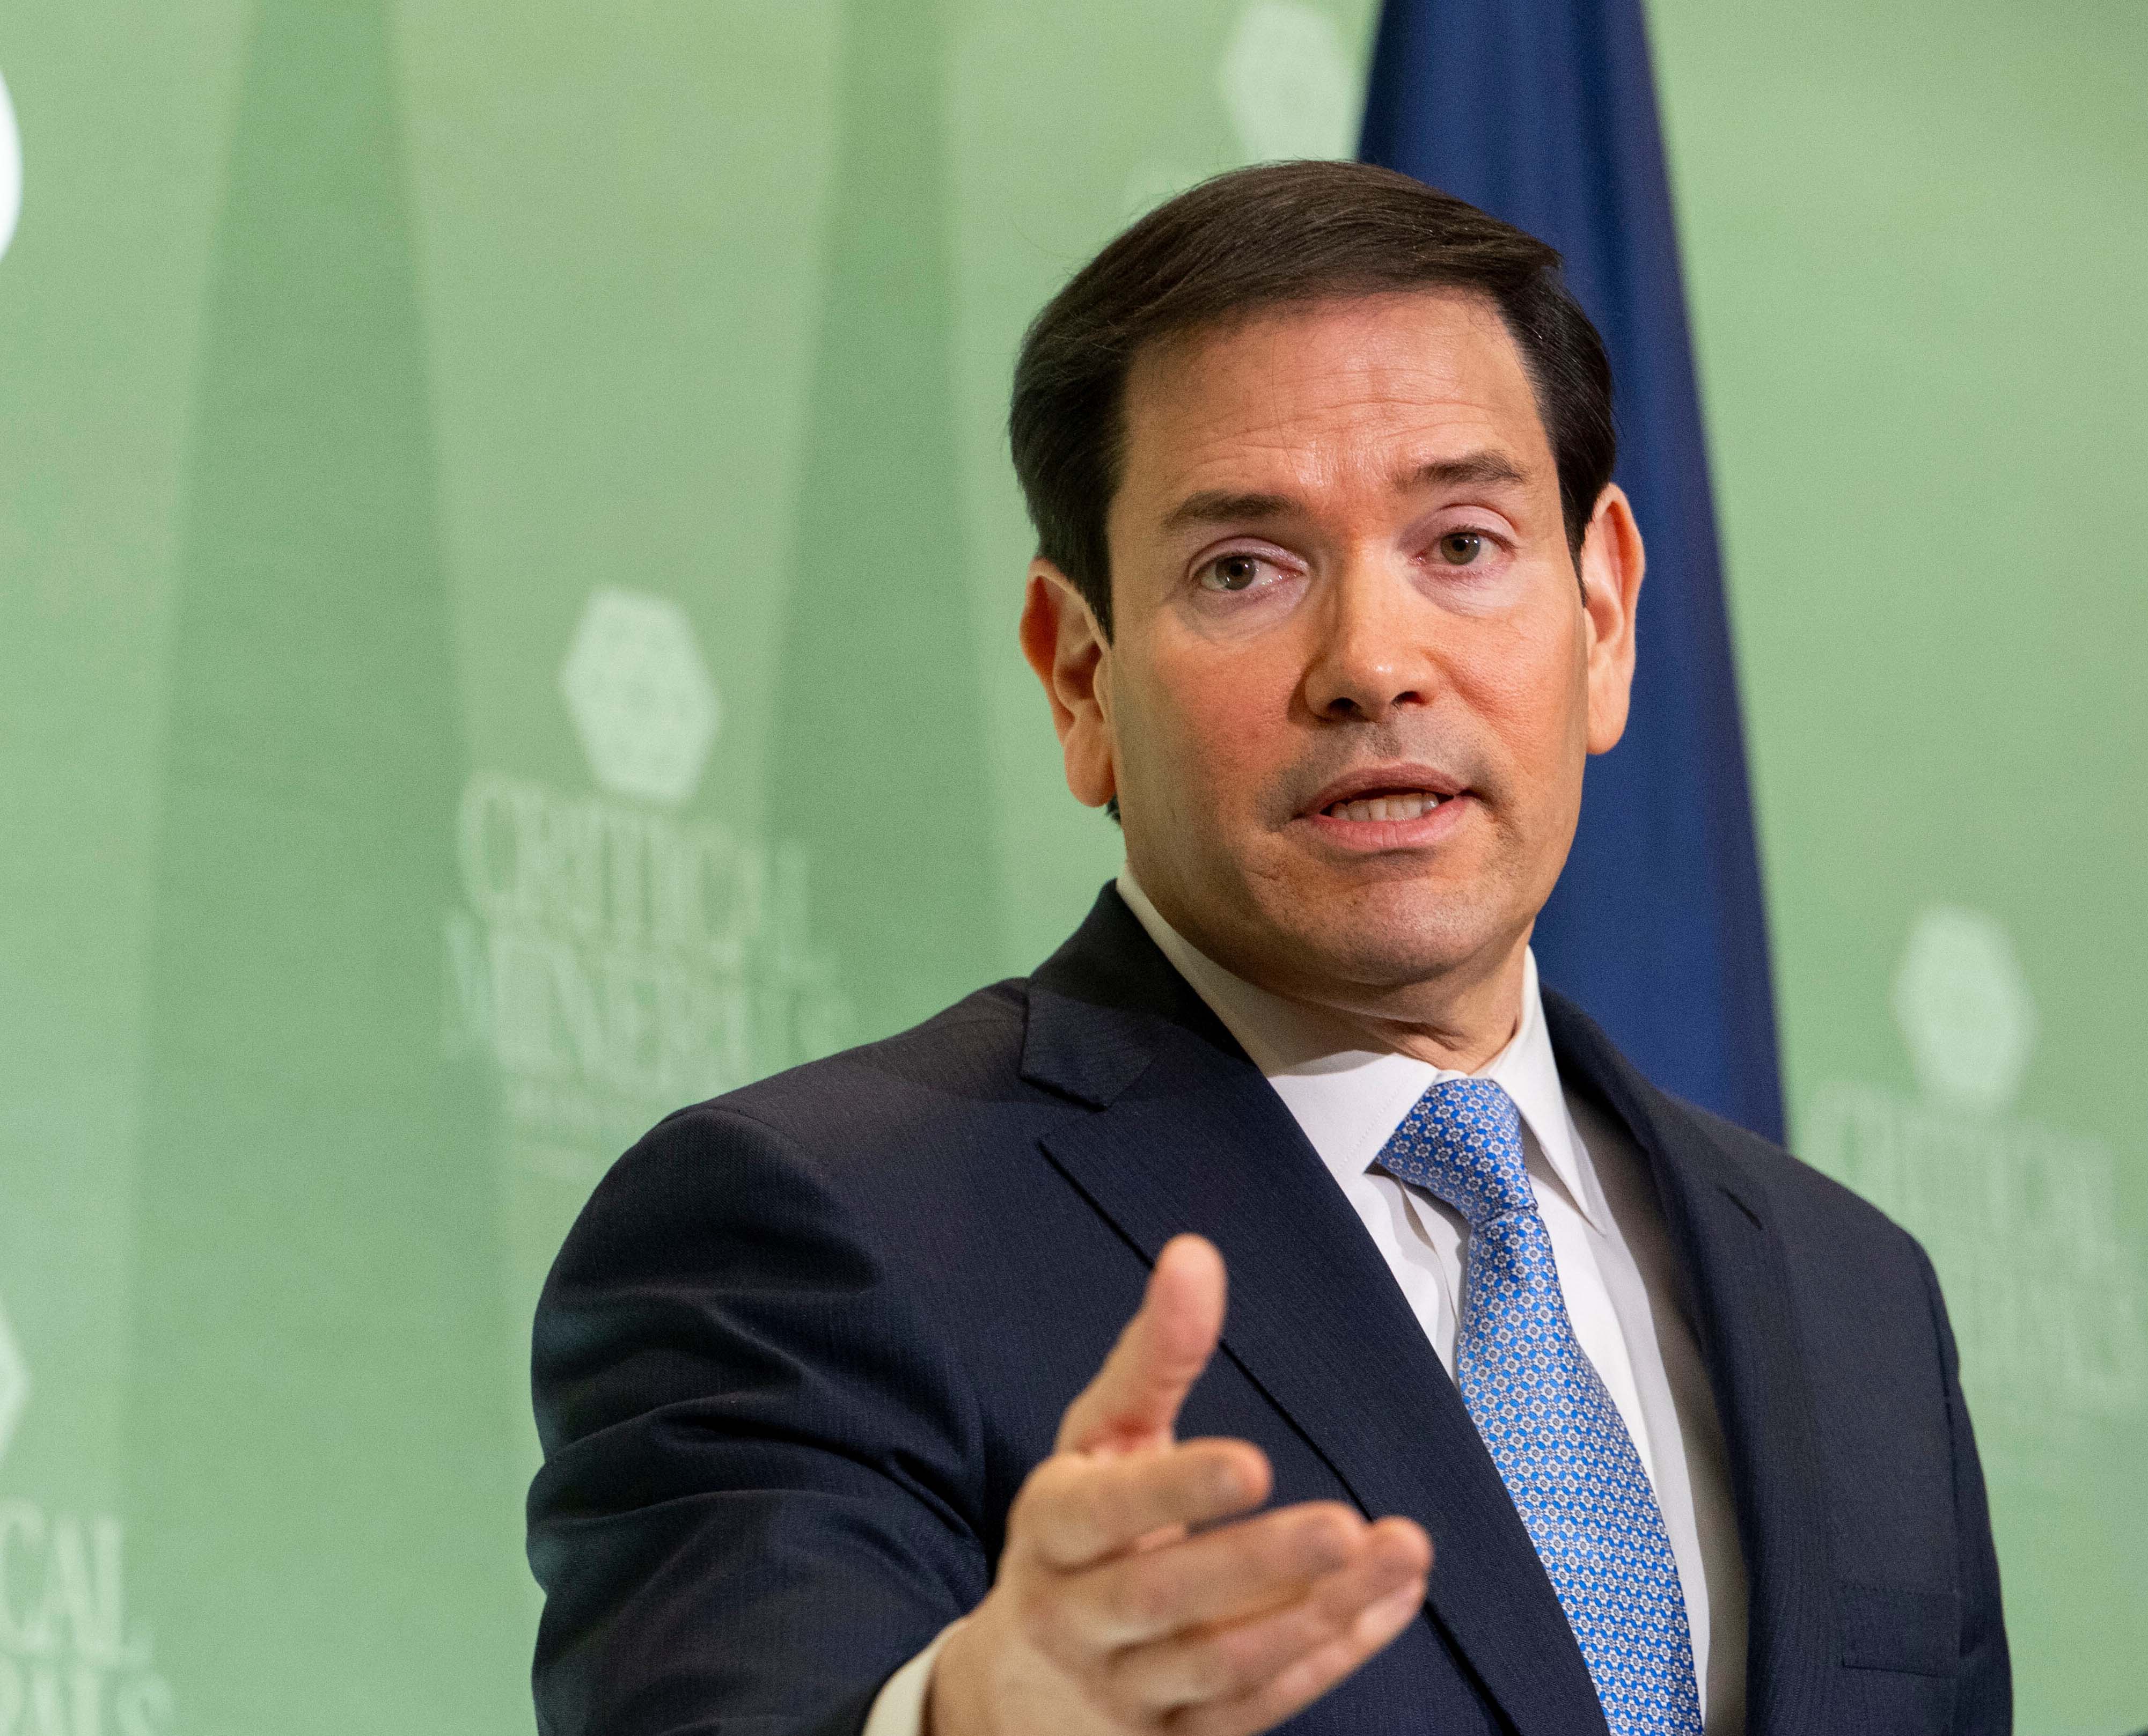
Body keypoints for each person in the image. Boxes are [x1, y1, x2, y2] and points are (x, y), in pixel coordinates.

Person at [527, 160, 2009, 1736]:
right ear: (1080, 675)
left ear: (1606, 608)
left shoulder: (1853, 1295)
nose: (1372, 663)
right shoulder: (806, 1231)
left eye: (1461, 543)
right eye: (1244, 568)